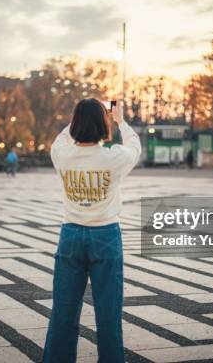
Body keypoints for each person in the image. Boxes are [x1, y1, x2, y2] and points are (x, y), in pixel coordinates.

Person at [43, 99, 140, 363]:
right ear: (102, 123)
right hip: (105, 234)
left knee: (63, 311)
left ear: (75, 123)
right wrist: (119, 119)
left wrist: (78, 118)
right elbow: (134, 147)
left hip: (71, 234)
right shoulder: (113, 157)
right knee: (108, 314)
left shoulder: (61, 154)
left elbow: (62, 138)